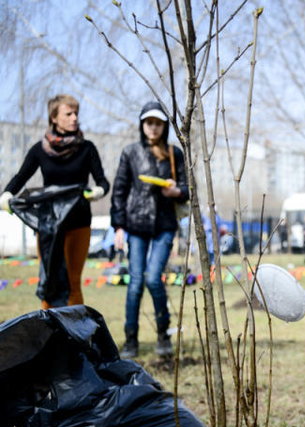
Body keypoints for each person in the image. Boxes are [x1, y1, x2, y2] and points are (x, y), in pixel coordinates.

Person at [0, 94, 109, 308]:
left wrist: (99, 191)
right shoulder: (40, 150)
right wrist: (6, 194)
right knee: (49, 281)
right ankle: (49, 335)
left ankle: (75, 336)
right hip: (49, 228)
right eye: (68, 113)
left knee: (73, 283)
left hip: (79, 224)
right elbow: (20, 178)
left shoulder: (87, 148)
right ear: (54, 118)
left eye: (76, 113)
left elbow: (103, 181)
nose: (75, 118)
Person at [111, 101, 188, 358]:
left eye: (157, 123)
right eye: (149, 123)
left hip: (165, 225)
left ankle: (163, 334)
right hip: (136, 225)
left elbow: (188, 189)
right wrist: (118, 226)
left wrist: (175, 191)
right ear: (142, 125)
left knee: (154, 278)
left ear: (164, 126)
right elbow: (119, 191)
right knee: (135, 283)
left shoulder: (175, 153)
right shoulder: (130, 152)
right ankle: (130, 339)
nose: (153, 128)